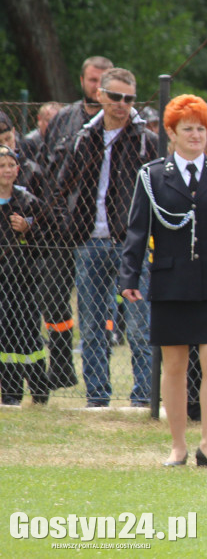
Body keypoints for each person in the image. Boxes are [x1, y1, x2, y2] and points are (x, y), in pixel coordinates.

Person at [119, 95, 207, 467]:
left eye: (201, 128)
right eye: (188, 129)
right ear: (171, 133)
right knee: (174, 365)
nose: (196, 135)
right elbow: (137, 229)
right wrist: (129, 276)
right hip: (170, 279)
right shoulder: (151, 175)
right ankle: (178, 446)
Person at [57, 67, 157, 407]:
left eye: (129, 99)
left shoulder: (145, 140)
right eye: (115, 97)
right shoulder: (84, 137)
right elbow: (62, 187)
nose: (121, 104)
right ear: (100, 94)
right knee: (92, 324)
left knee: (140, 325)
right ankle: (97, 396)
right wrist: (69, 228)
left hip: (131, 244)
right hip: (88, 241)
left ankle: (143, 396)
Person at [42, 55, 113, 390]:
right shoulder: (65, 120)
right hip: (62, 227)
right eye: (92, 80)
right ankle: (61, 366)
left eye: (103, 81)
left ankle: (99, 373)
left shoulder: (118, 124)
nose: (97, 86)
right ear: (82, 80)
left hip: (99, 231)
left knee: (97, 305)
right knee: (54, 297)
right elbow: (46, 168)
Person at [0, 144, 50, 405]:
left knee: (30, 334)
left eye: (11, 165)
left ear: (18, 170)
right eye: (2, 166)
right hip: (2, 284)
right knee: (5, 336)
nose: (7, 170)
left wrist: (27, 229)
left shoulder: (28, 202)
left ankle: (40, 391)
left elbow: (48, 240)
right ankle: (10, 393)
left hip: (25, 280)